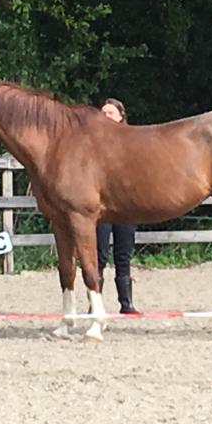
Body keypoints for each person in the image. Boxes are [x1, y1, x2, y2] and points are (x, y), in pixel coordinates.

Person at [95, 98, 139, 314]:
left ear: (121, 116)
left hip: (125, 204)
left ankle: (126, 302)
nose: (105, 117)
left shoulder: (132, 143)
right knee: (99, 255)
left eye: (110, 113)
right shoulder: (91, 144)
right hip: (102, 206)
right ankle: (96, 302)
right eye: (102, 112)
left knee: (124, 254)